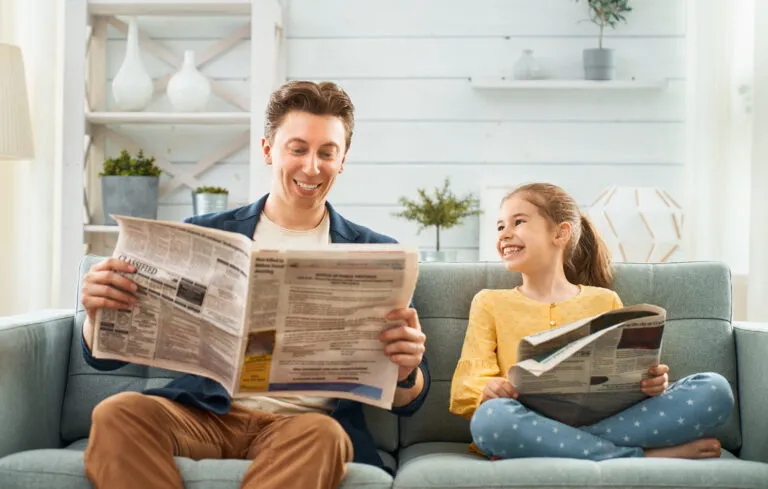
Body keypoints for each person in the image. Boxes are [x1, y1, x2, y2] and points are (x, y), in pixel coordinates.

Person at [79, 81, 430, 489]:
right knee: (116, 413)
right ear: (268, 149)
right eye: (297, 149)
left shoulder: (378, 254)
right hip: (205, 413)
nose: (312, 167)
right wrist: (96, 316)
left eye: (327, 153)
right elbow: (104, 359)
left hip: (303, 427)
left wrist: (406, 371)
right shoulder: (205, 234)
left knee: (324, 435)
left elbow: (411, 401)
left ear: (343, 159)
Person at [449, 182, 734, 461]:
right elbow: (466, 385)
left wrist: (652, 382)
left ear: (561, 234)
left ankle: (554, 445)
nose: (504, 235)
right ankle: (640, 455)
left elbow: (632, 374)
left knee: (714, 389)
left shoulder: (605, 300)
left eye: (518, 222)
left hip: (590, 420)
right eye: (500, 227)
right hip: (520, 418)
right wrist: (488, 389)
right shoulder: (489, 302)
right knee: (490, 420)